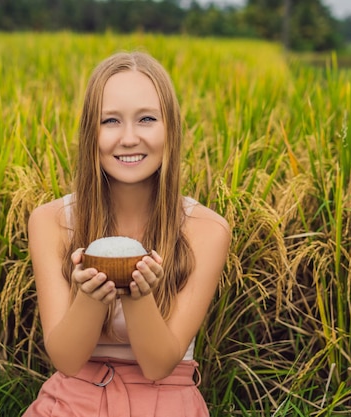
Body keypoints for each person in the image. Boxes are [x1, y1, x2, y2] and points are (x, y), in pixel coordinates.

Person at [23, 51, 231, 417]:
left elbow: (158, 365)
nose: (129, 138)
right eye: (111, 121)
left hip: (166, 400)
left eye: (147, 119)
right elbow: (67, 360)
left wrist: (139, 294)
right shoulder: (50, 221)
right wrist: (89, 296)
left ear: (171, 129)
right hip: (74, 399)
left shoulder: (207, 229)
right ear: (91, 131)